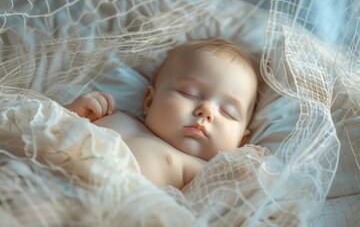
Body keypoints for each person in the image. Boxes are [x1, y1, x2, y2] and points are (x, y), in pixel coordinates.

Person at [64, 39, 258, 191]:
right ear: (149, 101)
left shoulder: (203, 172)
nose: (207, 110)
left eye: (228, 112)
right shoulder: (111, 115)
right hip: (54, 175)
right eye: (189, 93)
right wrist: (73, 111)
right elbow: (50, 130)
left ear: (241, 142)